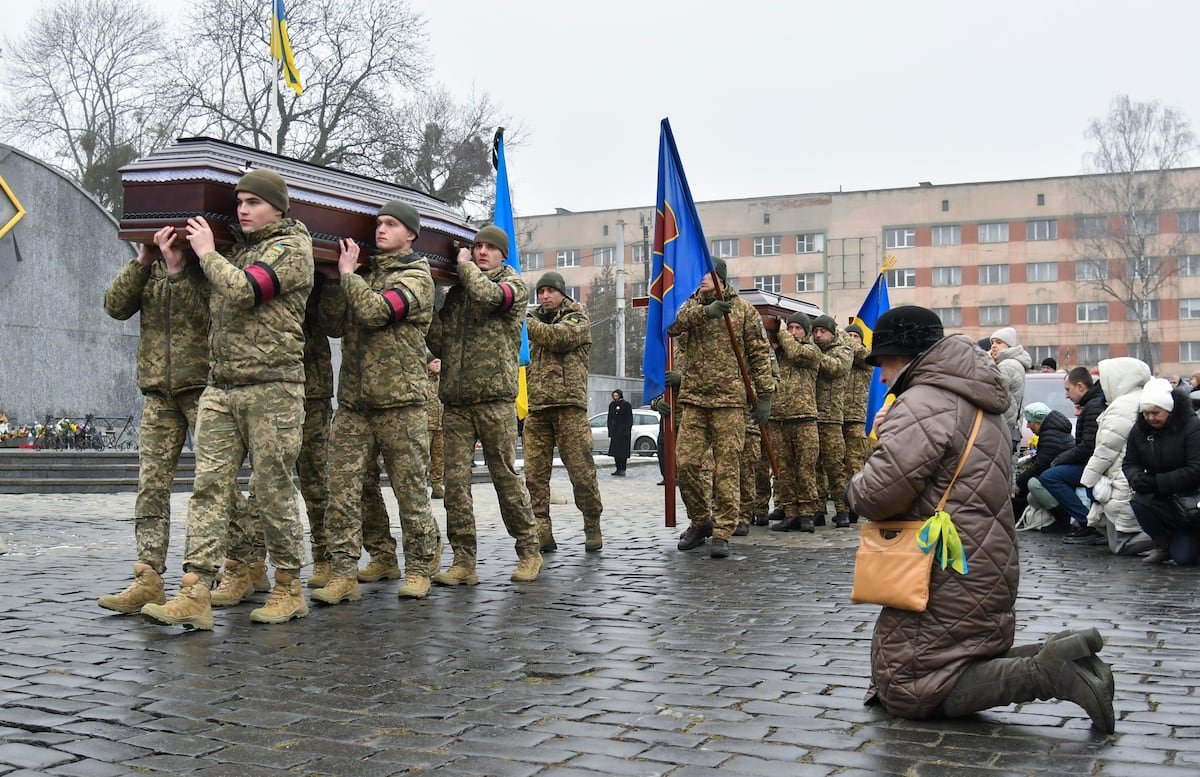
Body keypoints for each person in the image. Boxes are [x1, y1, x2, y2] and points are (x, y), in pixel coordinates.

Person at [847, 305, 1114, 734]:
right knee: (946, 659)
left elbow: (877, 495)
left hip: (942, 565)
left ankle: (1052, 672)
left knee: (911, 688)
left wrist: (860, 474)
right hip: (981, 555)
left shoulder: (923, 402)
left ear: (907, 357)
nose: (881, 377)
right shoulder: (976, 400)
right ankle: (1066, 655)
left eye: (885, 363)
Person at [142, 168, 314, 629]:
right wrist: (177, 269)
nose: (242, 210)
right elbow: (206, 311)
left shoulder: (292, 248)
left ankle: (289, 586)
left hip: (273, 387)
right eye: (239, 202)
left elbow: (246, 290)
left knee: (272, 488)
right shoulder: (235, 252)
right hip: (220, 386)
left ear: (278, 207)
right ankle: (194, 589)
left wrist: (207, 253)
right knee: (209, 487)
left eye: (253, 202)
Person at [311, 200, 440, 604]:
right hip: (354, 402)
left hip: (401, 403)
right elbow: (332, 324)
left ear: (411, 234)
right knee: (343, 490)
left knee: (410, 491)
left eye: (391, 224)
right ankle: (345, 572)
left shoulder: (417, 277)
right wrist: (335, 280)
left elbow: (376, 312)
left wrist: (349, 275)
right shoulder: (362, 272)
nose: (381, 229)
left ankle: (419, 567)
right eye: (378, 223)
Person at [97, 226, 210, 614]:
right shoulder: (149, 267)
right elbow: (114, 305)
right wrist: (144, 259)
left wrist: (179, 269)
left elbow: (209, 317)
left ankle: (239, 566)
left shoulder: (208, 263)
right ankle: (148, 577)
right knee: (151, 486)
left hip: (203, 389)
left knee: (215, 484)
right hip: (158, 392)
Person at [428, 225, 542, 585]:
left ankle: (529, 550)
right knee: (455, 485)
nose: (481, 252)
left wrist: (463, 267)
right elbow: (439, 342)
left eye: (490, 248)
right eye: (477, 246)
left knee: (505, 479)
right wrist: (428, 302)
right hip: (456, 401)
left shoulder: (513, 286)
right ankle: (464, 561)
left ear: (502, 255)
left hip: (495, 400)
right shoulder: (459, 294)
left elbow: (490, 297)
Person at [669, 257, 774, 558]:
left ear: (721, 278)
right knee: (686, 464)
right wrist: (704, 312)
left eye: (708, 273)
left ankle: (723, 531)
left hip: (729, 402)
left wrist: (765, 396)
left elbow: (759, 354)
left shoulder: (743, 310)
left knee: (727, 469)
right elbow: (672, 326)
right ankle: (701, 520)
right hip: (694, 399)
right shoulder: (688, 306)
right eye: (700, 273)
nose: (702, 278)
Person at [524, 271, 604, 553]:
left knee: (581, 473)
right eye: (540, 292)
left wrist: (524, 323)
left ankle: (592, 524)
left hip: (569, 407)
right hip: (537, 409)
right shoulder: (532, 321)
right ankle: (541, 531)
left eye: (550, 291)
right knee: (534, 476)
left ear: (562, 293)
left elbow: (557, 338)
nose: (545, 296)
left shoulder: (577, 317)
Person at [1077, 358, 1154, 555]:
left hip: (1122, 477)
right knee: (1118, 535)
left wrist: (1087, 479)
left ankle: (1170, 538)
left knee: (1120, 544)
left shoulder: (1122, 406)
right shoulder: (1141, 398)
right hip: (1131, 474)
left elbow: (1106, 449)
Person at [1125, 379, 1200, 565]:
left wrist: (1157, 482)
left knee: (1184, 559)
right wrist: (1136, 477)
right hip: (1160, 498)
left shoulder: (1191, 426)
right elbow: (1130, 462)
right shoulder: (1139, 429)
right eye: (1146, 413)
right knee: (1138, 501)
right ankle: (1162, 544)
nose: (1150, 418)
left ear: (1169, 410)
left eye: (1156, 413)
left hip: (1190, 499)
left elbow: (1195, 469)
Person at [767, 312, 821, 533]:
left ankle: (807, 513)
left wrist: (782, 334)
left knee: (805, 468)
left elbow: (796, 352)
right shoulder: (780, 353)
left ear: (806, 332)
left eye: (798, 328)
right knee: (783, 470)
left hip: (803, 418)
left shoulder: (812, 351)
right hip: (778, 419)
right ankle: (790, 513)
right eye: (790, 328)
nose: (793, 332)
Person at [1039, 367, 1106, 542]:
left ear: (1080, 387)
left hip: (1094, 465)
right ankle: (1087, 522)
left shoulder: (1093, 406)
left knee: (1050, 477)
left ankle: (1088, 523)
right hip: (1092, 463)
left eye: (1068, 389)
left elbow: (1088, 447)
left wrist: (1061, 459)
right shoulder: (1092, 404)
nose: (1067, 395)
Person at [811, 314, 854, 528]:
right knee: (815, 466)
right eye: (815, 331)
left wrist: (812, 353)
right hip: (812, 415)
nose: (818, 335)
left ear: (832, 333)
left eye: (823, 331)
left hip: (831, 418)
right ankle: (818, 509)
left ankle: (842, 509)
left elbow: (835, 368)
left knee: (835, 465)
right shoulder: (812, 350)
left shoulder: (843, 351)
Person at [1012, 402, 1073, 520]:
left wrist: (1019, 482)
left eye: (1029, 422)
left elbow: (1041, 464)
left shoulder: (1050, 434)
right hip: (1060, 476)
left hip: (1059, 480)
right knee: (1030, 496)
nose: (1027, 426)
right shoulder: (1053, 432)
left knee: (1031, 486)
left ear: (1038, 421)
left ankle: (1063, 519)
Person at [842, 322, 872, 521]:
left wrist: (843, 339)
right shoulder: (840, 355)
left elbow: (862, 355)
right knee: (837, 465)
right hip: (835, 417)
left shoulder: (866, 357)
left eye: (856, 337)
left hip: (855, 418)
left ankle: (856, 506)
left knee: (854, 463)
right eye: (849, 335)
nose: (851, 340)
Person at [989, 326, 1032, 453]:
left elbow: (993, 395)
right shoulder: (1012, 363)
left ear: (1009, 346)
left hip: (1001, 427)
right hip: (1010, 426)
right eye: (992, 342)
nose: (993, 346)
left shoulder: (1006, 366)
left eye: (999, 342)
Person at [426, 357, 445, 499]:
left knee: (439, 459)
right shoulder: (422, 380)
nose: (438, 365)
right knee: (423, 459)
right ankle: (421, 487)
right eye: (435, 362)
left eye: (439, 362)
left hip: (440, 426)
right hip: (425, 426)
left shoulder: (443, 381)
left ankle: (437, 486)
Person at [606, 390, 633, 476]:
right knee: (615, 452)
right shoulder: (612, 405)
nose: (615, 397)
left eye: (617, 395)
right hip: (615, 432)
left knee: (623, 453)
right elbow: (609, 418)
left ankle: (622, 469)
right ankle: (618, 468)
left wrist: (627, 430)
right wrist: (610, 430)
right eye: (614, 396)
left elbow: (629, 419)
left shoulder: (626, 405)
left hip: (624, 433)